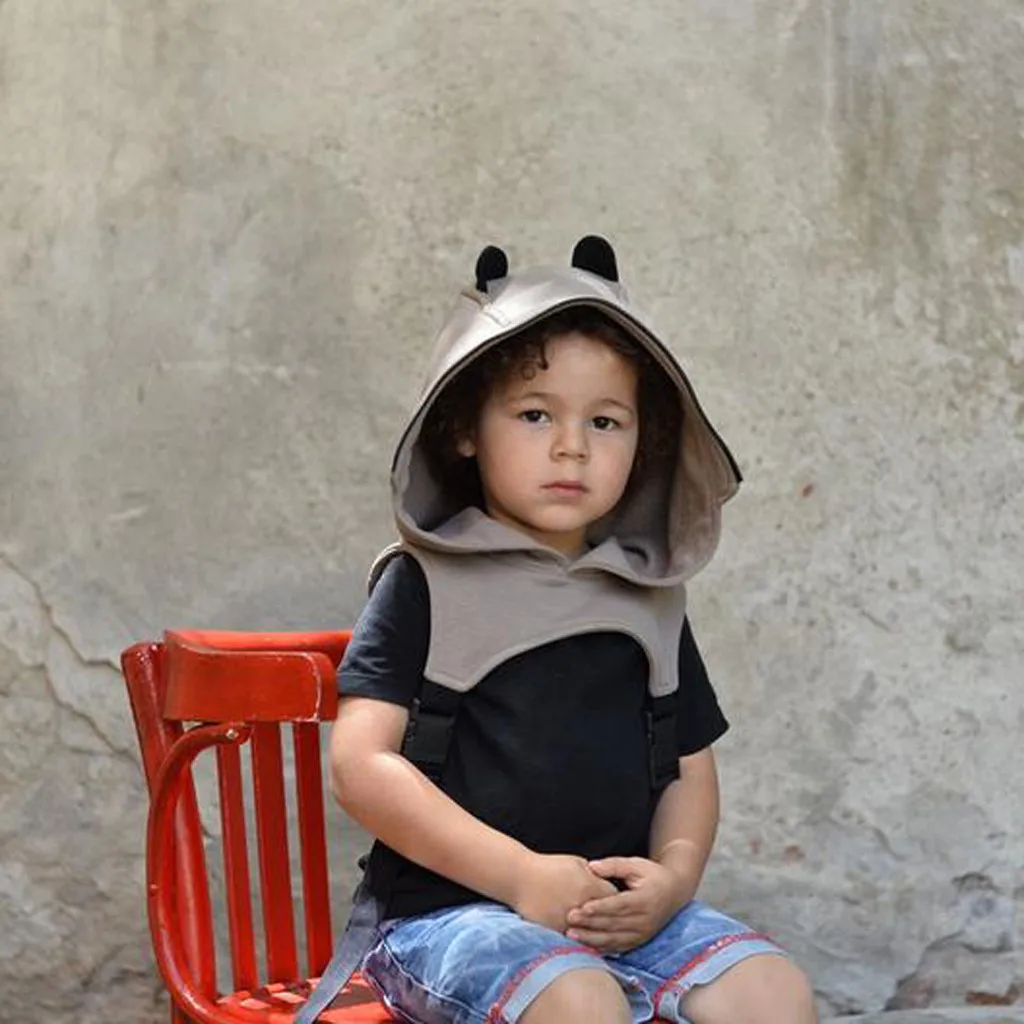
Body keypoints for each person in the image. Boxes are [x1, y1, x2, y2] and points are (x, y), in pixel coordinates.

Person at [322, 238, 817, 1024]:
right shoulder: (426, 583)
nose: (572, 446)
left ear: (645, 441)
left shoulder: (647, 594)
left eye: (606, 421)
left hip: (616, 914)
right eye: (534, 414)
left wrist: (674, 878)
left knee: (773, 994)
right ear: (465, 428)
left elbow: (688, 769)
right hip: (453, 915)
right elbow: (359, 766)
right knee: (577, 1000)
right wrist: (521, 876)